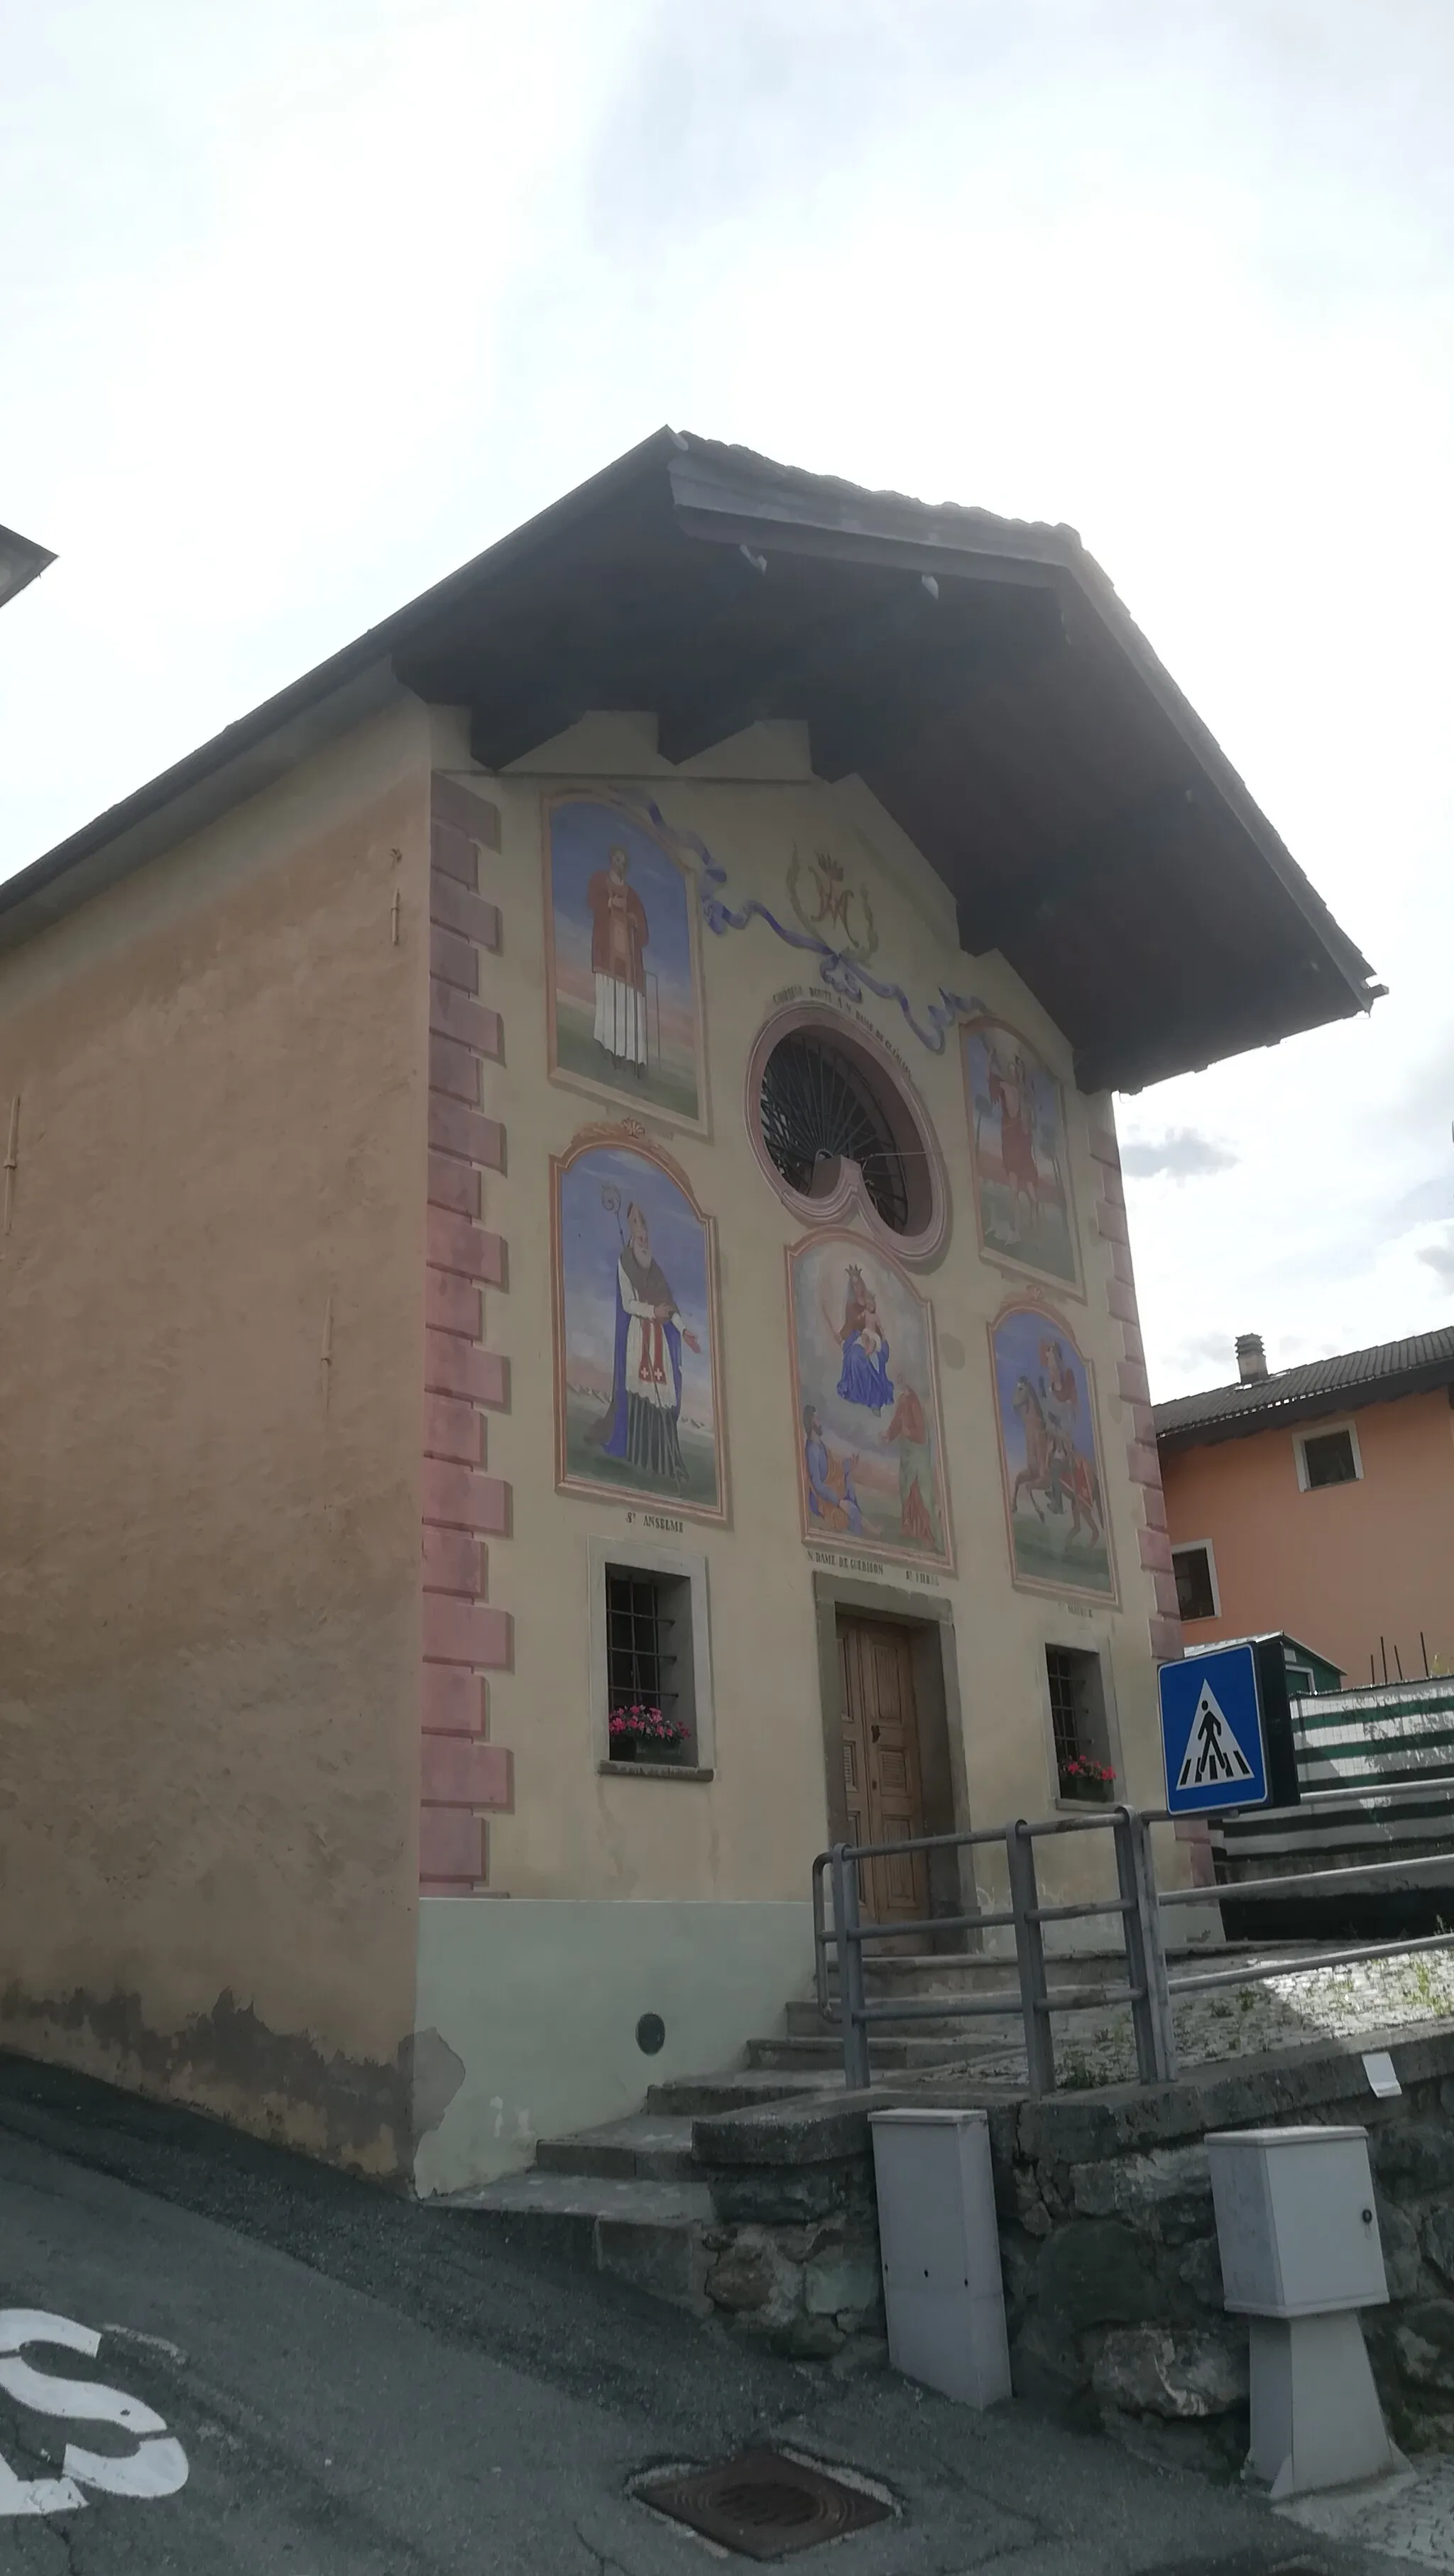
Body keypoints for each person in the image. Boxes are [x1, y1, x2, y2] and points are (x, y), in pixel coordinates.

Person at [589, 1202, 699, 1484]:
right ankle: (640, 1457)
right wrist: (652, 1313)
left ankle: (667, 1462)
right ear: (631, 1232)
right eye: (638, 1229)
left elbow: (669, 1305)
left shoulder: (656, 1270)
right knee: (641, 1397)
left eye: (645, 1230)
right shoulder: (624, 1263)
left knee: (664, 1399)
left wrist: (684, 1331)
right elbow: (627, 1304)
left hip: (659, 1341)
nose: (644, 1236)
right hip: (639, 1338)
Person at [586, 845, 650, 1074]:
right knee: (608, 1000)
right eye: (617, 860)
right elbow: (594, 902)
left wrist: (633, 919)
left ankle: (631, 1058)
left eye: (623, 862)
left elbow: (642, 928)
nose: (619, 865)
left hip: (629, 963)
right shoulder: (600, 881)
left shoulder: (632, 895)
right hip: (608, 955)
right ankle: (606, 1047)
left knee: (628, 1007)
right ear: (610, 860)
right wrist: (609, 905)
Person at [882, 1382, 936, 1546]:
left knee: (917, 1491)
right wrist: (889, 1435)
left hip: (917, 1455)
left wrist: (909, 1433)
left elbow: (921, 1434)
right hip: (906, 1453)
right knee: (905, 1488)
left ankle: (923, 1531)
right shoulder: (902, 1400)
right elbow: (897, 1422)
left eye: (901, 1376)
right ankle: (908, 1526)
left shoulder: (914, 1401)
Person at [835, 1265, 895, 1412]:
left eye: (858, 1283)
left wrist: (883, 1339)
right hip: (858, 1337)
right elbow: (850, 1324)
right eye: (854, 1285)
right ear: (852, 1287)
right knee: (854, 1356)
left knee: (875, 1357)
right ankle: (859, 1395)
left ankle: (875, 1400)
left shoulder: (869, 1302)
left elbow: (877, 1325)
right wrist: (842, 1337)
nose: (857, 1287)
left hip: (872, 1337)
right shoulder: (851, 1305)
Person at [802, 1404, 863, 1534]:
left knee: (849, 1482)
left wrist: (849, 1464)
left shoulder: (820, 1446)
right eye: (817, 1418)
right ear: (812, 1422)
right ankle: (856, 1535)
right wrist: (839, 1502)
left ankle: (858, 1526)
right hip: (823, 1501)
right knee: (852, 1511)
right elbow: (818, 1485)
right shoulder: (813, 1451)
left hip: (833, 1489)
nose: (820, 1422)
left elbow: (834, 1469)